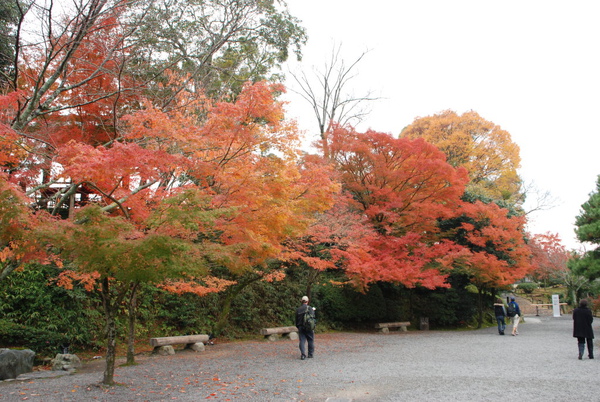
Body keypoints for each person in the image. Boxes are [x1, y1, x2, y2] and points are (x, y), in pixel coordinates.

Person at [295, 295, 316, 360]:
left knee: (302, 340)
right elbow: (313, 318)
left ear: (301, 301)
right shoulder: (310, 308)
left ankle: (303, 355)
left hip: (301, 327)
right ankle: (310, 354)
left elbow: (296, 320)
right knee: (310, 340)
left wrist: (298, 326)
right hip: (309, 327)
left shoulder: (298, 309)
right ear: (307, 301)